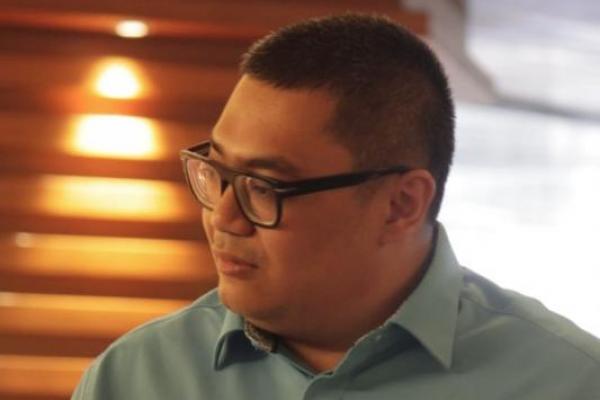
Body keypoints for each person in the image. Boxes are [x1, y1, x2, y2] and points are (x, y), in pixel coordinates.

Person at [72, 13, 600, 399]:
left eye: (264, 187)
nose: (223, 218)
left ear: (400, 205)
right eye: (217, 172)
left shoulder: (569, 383)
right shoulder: (133, 378)